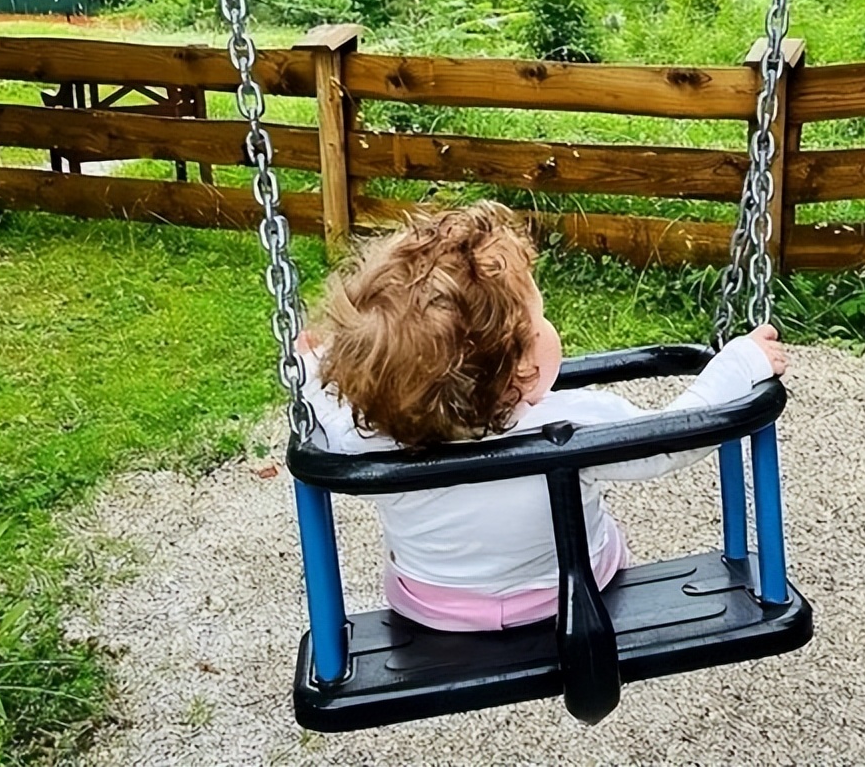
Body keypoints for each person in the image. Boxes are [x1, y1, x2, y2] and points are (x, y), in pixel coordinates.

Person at [299, 201, 788, 632]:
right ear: (526, 367)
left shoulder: (363, 434)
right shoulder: (574, 422)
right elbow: (670, 441)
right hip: (573, 592)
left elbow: (322, 393)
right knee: (599, 535)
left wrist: (309, 364)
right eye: (541, 314)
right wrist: (739, 364)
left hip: (434, 606)